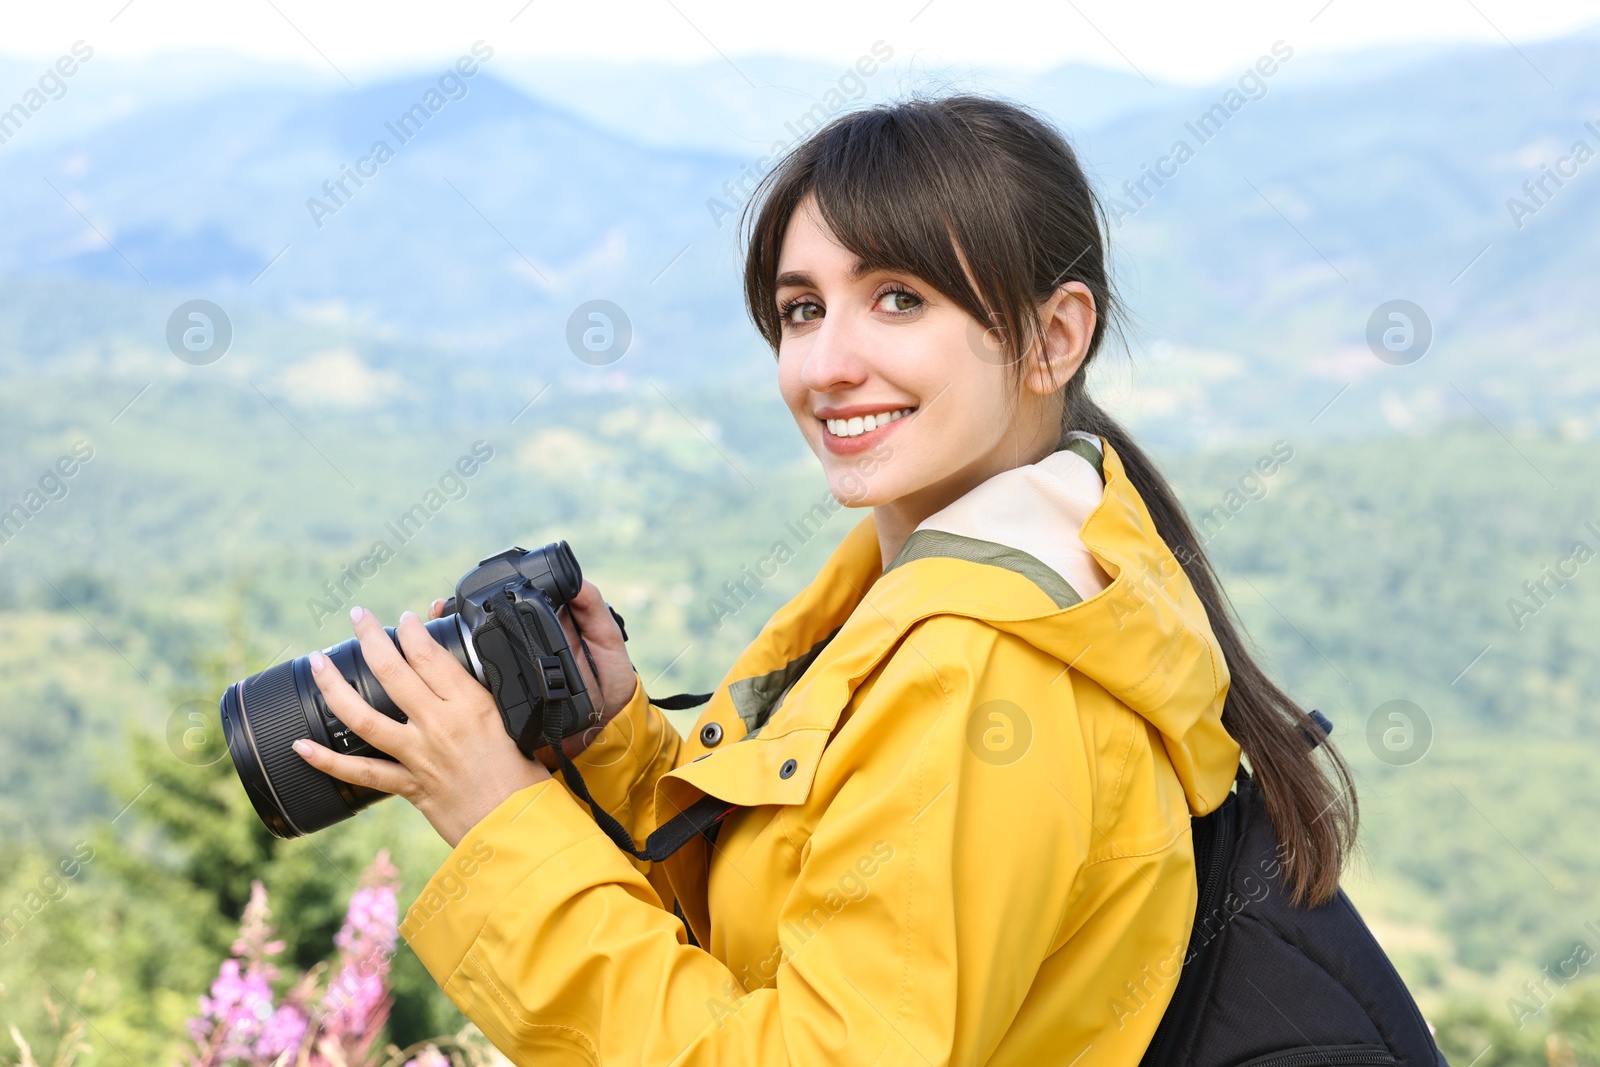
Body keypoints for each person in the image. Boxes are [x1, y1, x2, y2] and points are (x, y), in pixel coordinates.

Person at [289, 94, 1358, 1064]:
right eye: (802, 308)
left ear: (1054, 336)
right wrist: (613, 744)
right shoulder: (959, 587)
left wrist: (498, 818)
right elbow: (806, 923)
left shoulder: (987, 675)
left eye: (899, 299)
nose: (826, 364)